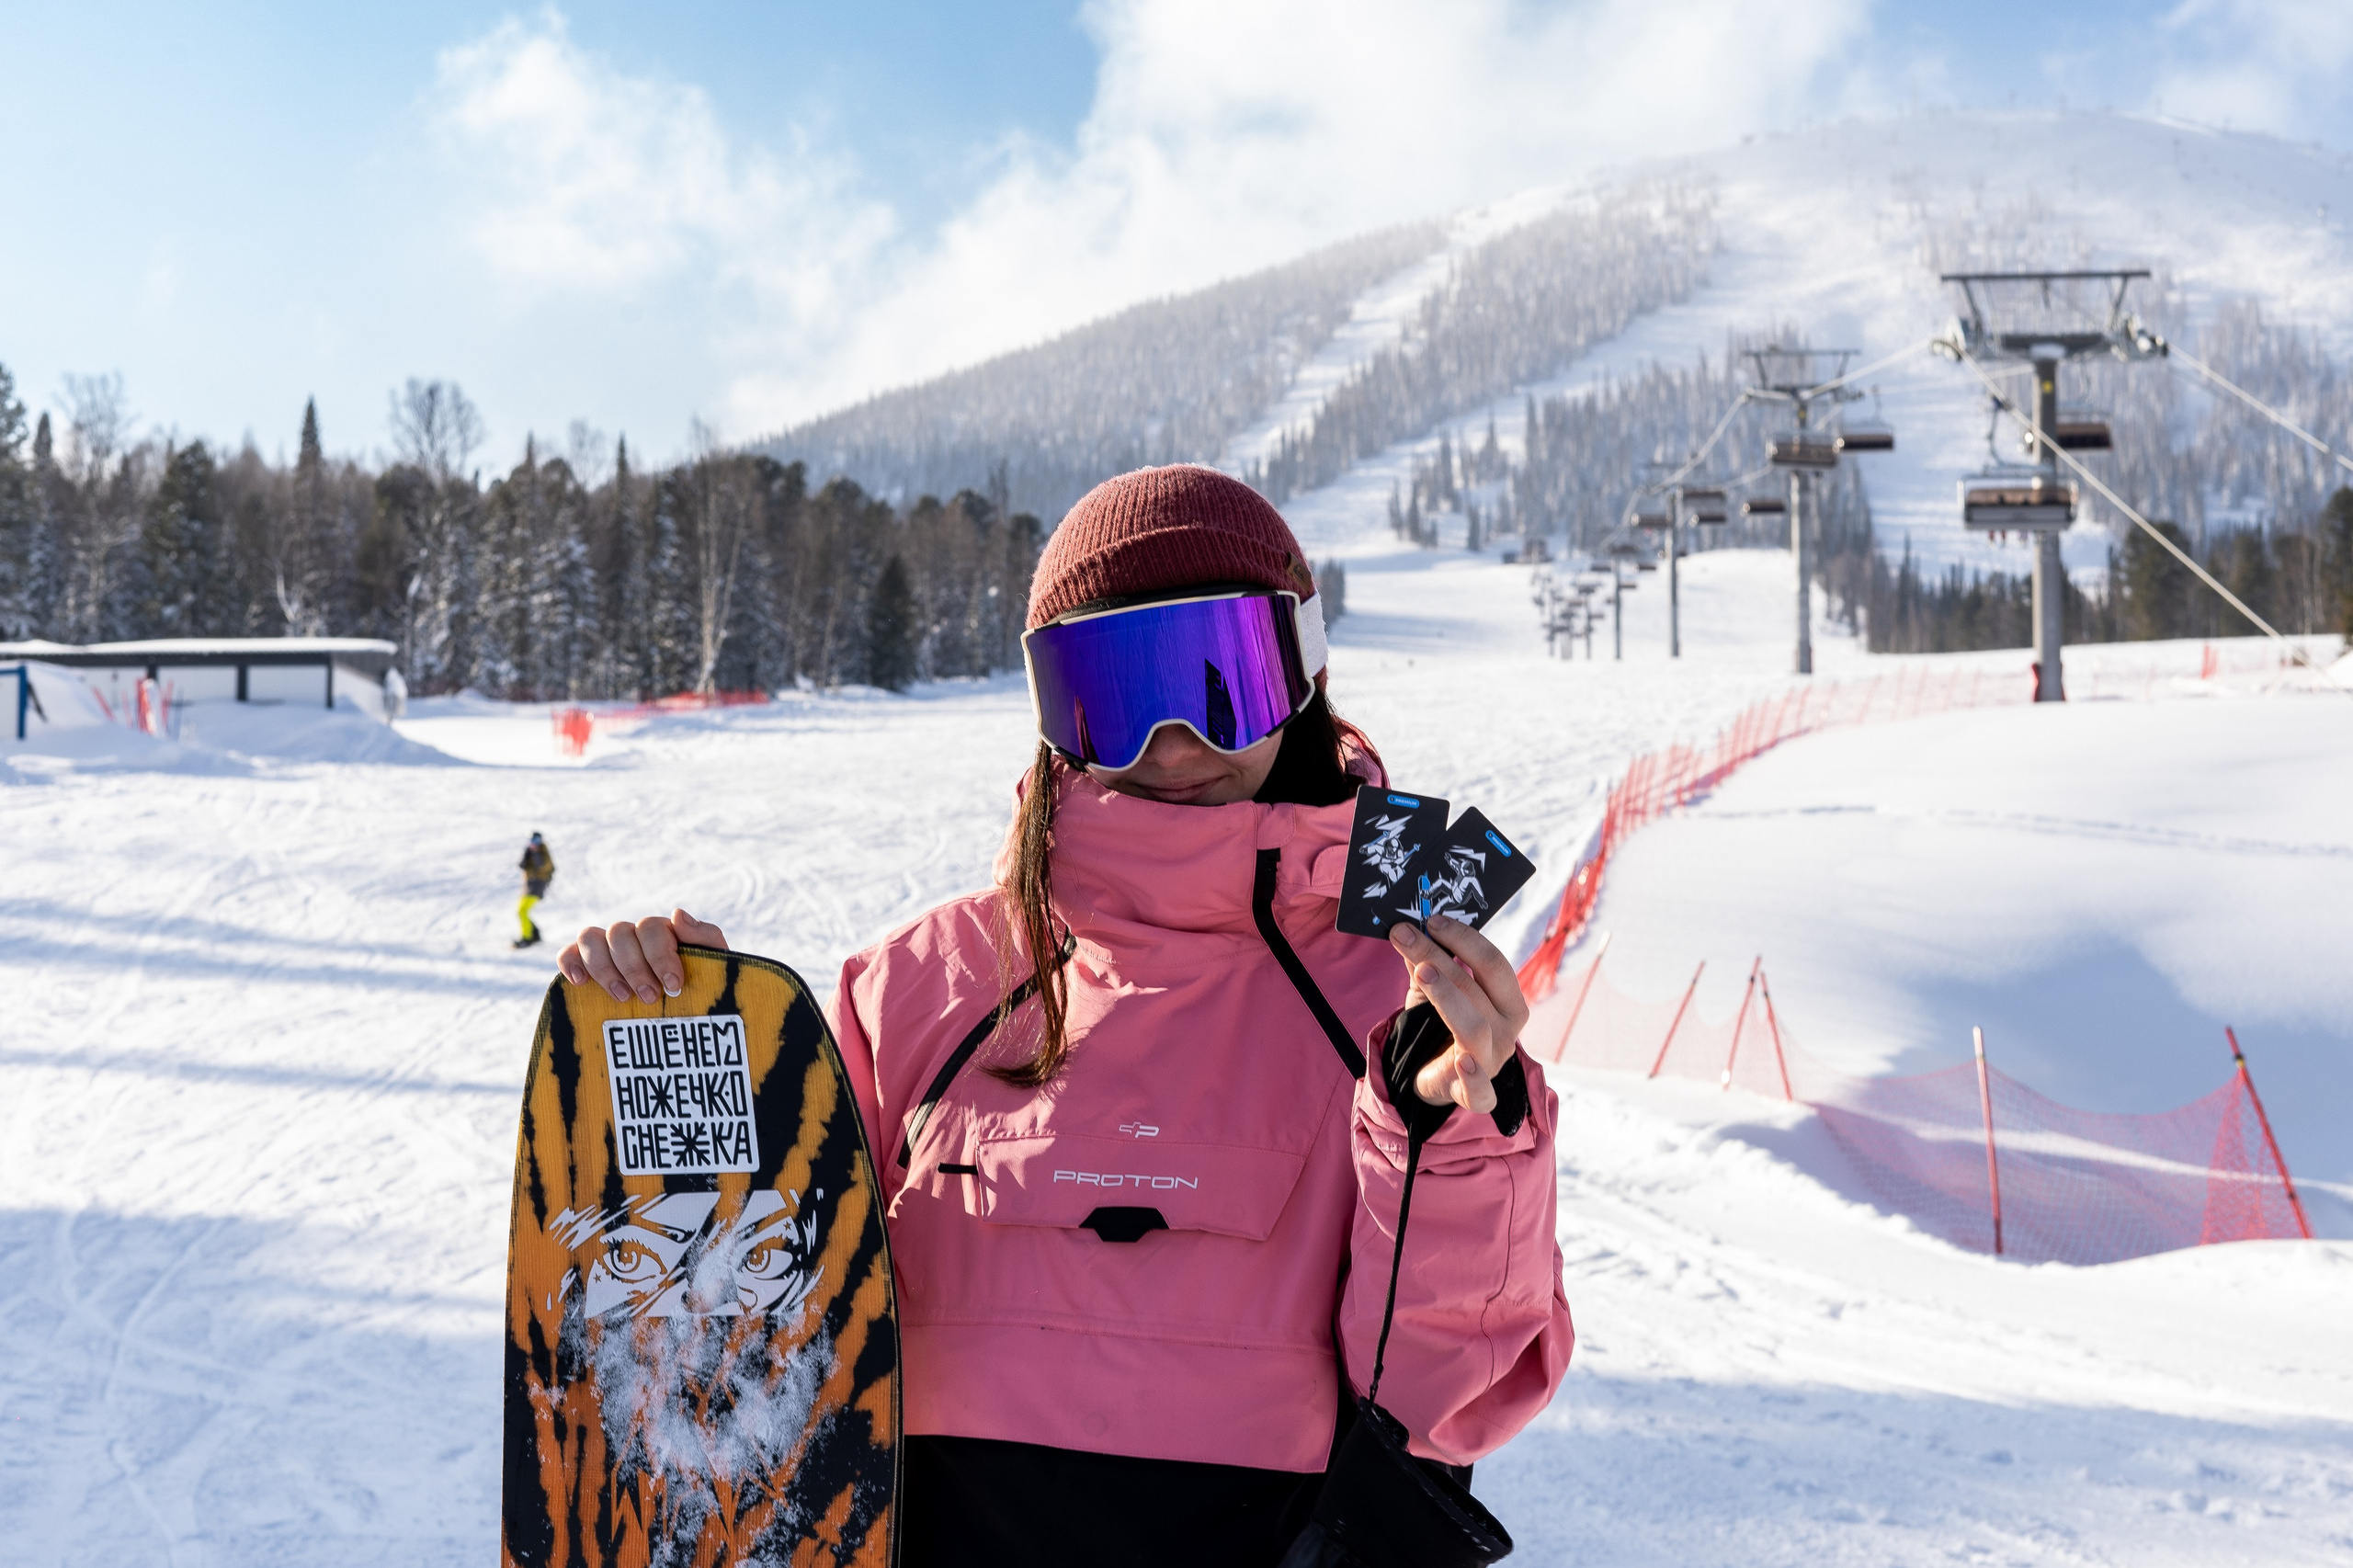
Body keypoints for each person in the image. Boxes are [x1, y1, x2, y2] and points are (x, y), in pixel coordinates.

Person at [558, 465, 1573, 1566]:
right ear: (1056, 719)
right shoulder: (918, 992)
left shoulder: (1401, 998)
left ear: (1303, 670)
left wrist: (1445, 1137)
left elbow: (1448, 1401)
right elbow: (754, 1310)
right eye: (1118, 696)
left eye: (1220, 679)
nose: (1174, 743)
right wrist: (704, 1051)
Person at [515, 832, 554, 949]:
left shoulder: (543, 852)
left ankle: (527, 937)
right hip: (527, 886)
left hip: (537, 886)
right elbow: (521, 866)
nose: (534, 844)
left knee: (522, 910)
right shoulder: (530, 852)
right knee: (521, 911)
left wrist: (536, 853)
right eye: (532, 841)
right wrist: (526, 854)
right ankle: (534, 933)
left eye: (537, 841)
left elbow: (543, 866)